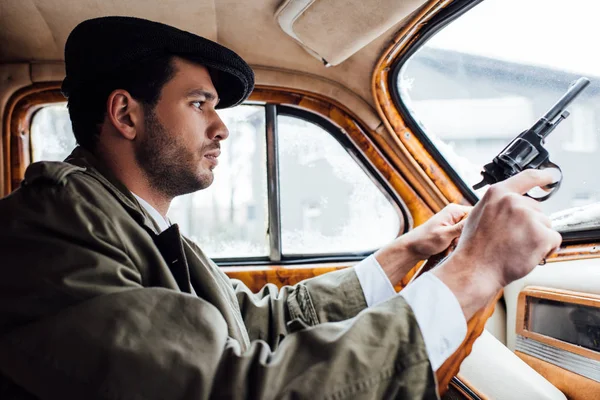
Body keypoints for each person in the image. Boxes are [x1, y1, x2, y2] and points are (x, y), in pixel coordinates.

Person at [0, 16, 561, 400]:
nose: (220, 127)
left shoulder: (136, 224)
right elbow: (230, 388)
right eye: (199, 104)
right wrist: (473, 272)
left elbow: (253, 322)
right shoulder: (51, 228)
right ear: (126, 115)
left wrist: (407, 251)